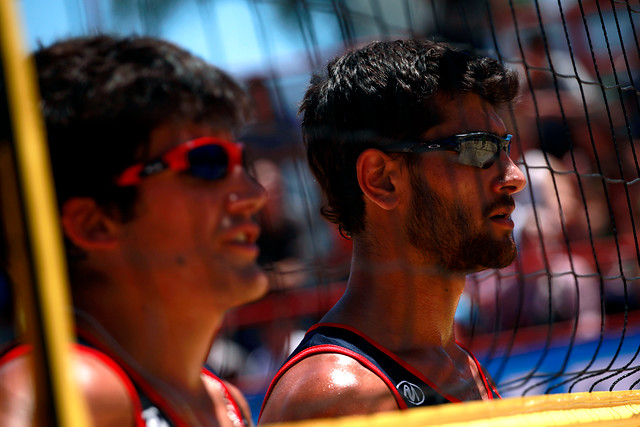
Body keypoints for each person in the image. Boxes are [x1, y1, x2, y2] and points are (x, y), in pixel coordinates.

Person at [0, 35, 268, 426]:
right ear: (95, 224)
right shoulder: (77, 392)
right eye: (206, 162)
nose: (252, 194)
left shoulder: (224, 401)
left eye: (243, 162)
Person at [259, 39, 527, 423]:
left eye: (504, 145)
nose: (514, 176)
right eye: (478, 149)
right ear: (382, 180)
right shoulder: (336, 395)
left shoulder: (457, 363)